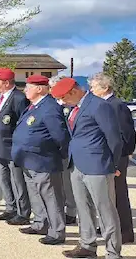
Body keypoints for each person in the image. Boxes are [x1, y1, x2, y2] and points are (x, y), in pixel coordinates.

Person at [51, 77, 123, 259]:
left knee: (105, 211)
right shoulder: (76, 107)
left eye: (64, 97)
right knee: (83, 207)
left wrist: (113, 165)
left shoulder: (99, 105)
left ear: (74, 92)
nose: (62, 102)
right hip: (77, 164)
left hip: (98, 165)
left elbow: (114, 138)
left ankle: (113, 252)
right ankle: (87, 245)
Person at [11, 75, 69, 245]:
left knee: (51, 197)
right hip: (28, 160)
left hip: (43, 160)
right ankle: (39, 223)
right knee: (36, 195)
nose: (25, 90)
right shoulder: (33, 106)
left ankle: (57, 232)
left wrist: (60, 154)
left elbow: (60, 136)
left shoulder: (49, 107)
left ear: (39, 88)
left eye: (29, 87)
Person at [88, 72, 136, 244]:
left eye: (94, 87)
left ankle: (125, 232)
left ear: (105, 88)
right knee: (109, 194)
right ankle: (113, 228)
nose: (91, 90)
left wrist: (125, 154)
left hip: (118, 156)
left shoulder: (116, 105)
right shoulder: (103, 104)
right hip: (107, 155)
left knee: (119, 194)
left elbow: (127, 133)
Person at [0, 68, 31, 225]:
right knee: (4, 179)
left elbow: (22, 124)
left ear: (6, 83)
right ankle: (10, 207)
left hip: (12, 147)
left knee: (17, 181)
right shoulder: (0, 96)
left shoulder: (19, 98)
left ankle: (23, 212)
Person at [49, 74, 78, 225]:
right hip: (53, 150)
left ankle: (71, 212)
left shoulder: (70, 105)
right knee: (57, 183)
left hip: (67, 149)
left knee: (67, 183)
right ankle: (60, 209)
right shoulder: (54, 104)